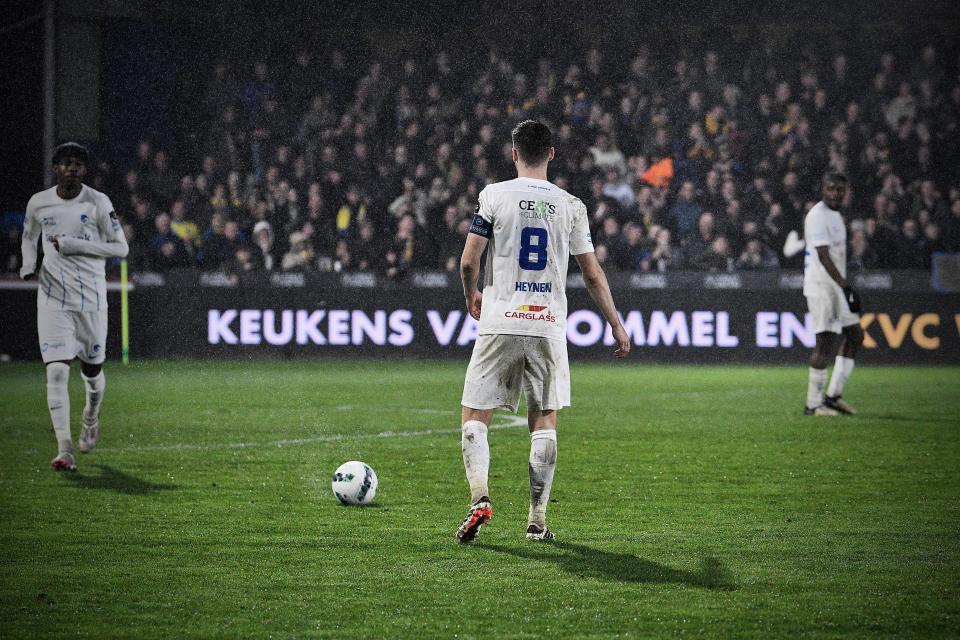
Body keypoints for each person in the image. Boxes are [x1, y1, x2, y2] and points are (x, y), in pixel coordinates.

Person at [456, 120, 630, 544]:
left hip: (499, 320)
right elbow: (591, 273)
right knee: (544, 420)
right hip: (546, 325)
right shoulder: (570, 205)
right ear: (552, 154)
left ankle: (480, 495)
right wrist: (616, 323)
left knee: (475, 417)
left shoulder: (494, 196)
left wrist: (471, 295)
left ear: (514, 153)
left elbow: (467, 261)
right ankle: (536, 519)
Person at [19, 142, 129, 471]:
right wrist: (28, 265)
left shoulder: (98, 202)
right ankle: (64, 448)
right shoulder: (39, 203)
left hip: (91, 299)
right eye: (66, 163)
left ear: (84, 170)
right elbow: (28, 237)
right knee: (55, 369)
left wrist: (74, 245)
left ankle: (91, 416)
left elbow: (120, 248)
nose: (72, 168)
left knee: (91, 369)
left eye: (78, 164)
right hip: (53, 297)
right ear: (56, 168)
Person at [802, 172, 863, 417]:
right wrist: (845, 285)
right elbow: (823, 256)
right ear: (823, 189)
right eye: (832, 189)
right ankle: (813, 405)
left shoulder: (836, 216)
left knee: (856, 335)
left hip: (837, 286)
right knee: (824, 342)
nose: (836, 193)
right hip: (822, 287)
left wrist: (843, 285)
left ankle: (833, 396)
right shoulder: (817, 216)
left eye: (840, 189)